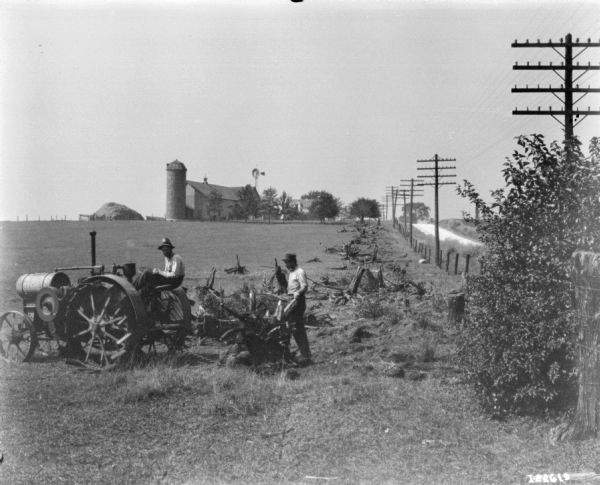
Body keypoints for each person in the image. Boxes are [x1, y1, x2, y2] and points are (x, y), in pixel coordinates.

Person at [282, 253, 312, 366]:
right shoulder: (291, 273)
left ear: (293, 261)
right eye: (285, 263)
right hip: (291, 301)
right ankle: (302, 353)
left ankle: (305, 354)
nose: (286, 264)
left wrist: (297, 293)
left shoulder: (300, 271)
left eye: (287, 262)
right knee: (292, 327)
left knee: (297, 327)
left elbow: (304, 286)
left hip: (298, 302)